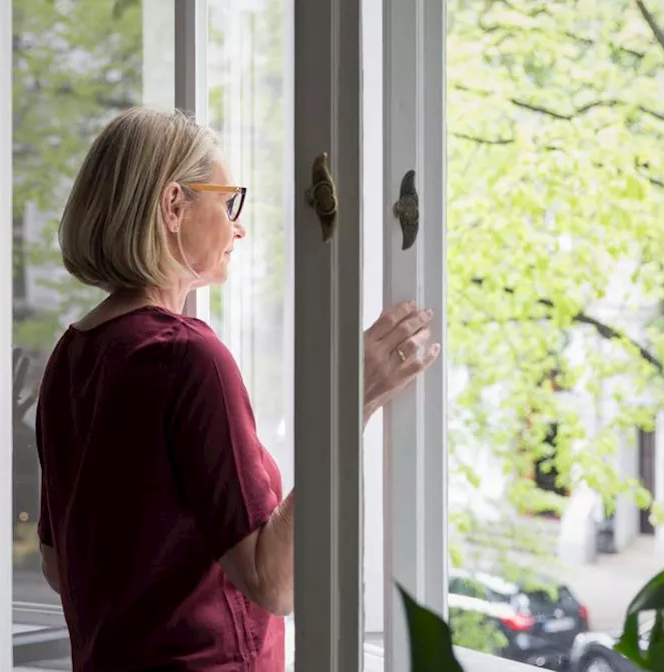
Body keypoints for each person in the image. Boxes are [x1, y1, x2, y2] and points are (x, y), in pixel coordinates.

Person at [35, 106, 440, 671]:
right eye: (228, 204)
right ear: (173, 205)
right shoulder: (186, 356)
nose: (238, 226)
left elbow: (58, 566)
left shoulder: (74, 353)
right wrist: (350, 401)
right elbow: (276, 584)